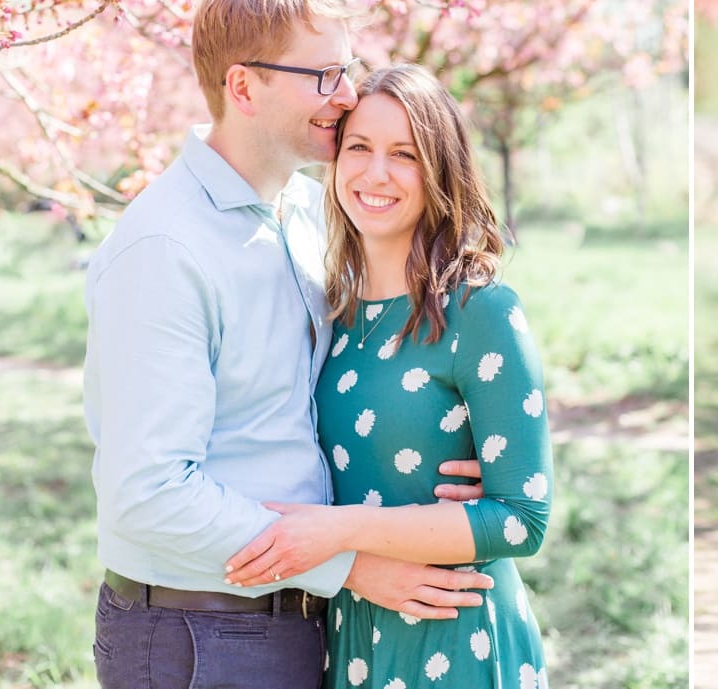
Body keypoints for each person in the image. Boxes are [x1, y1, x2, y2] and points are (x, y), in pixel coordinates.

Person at [83, 0, 491, 689]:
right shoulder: (166, 249)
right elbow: (146, 490)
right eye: (325, 74)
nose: (347, 95)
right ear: (243, 87)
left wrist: (444, 448)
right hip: (198, 633)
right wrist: (353, 565)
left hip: (299, 622)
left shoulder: (306, 216)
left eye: (349, 69)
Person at [221, 64, 553, 688]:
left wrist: (339, 530)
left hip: (455, 637)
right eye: (360, 148)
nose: (376, 174)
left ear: (440, 169)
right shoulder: (335, 315)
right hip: (350, 634)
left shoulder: (480, 311)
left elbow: (522, 519)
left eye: (405, 154)